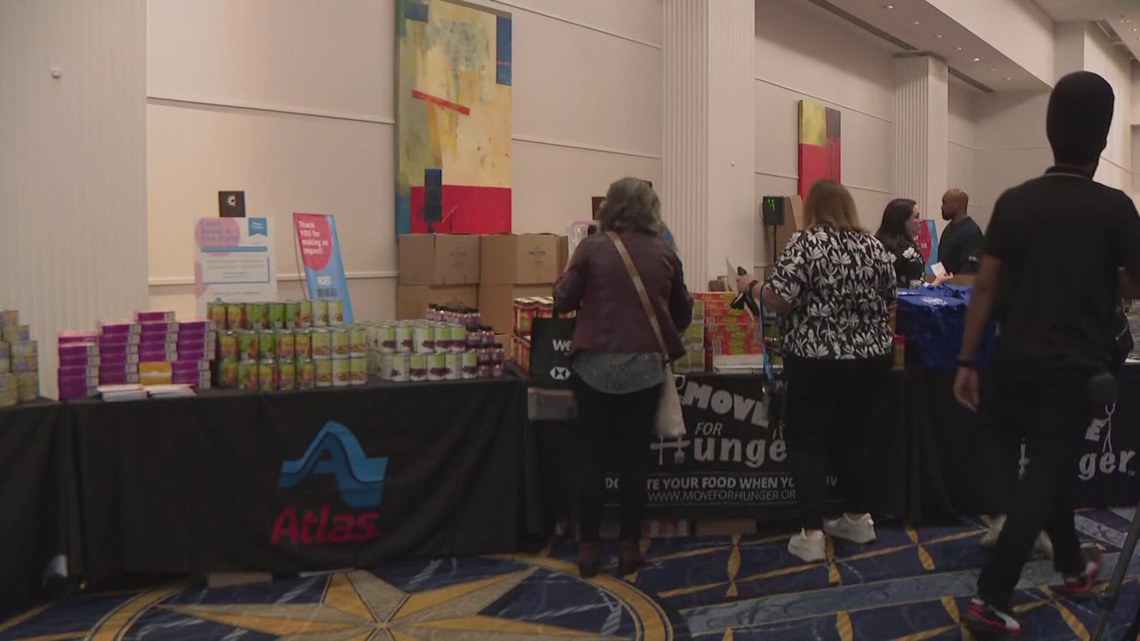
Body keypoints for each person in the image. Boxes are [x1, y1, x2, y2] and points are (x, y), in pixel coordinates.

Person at [955, 71, 1140, 639]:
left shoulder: (1014, 203)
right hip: (1075, 367)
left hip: (1011, 362)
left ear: (1048, 127)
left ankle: (1071, 566)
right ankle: (991, 596)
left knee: (1045, 472)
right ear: (1104, 140)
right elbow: (1136, 286)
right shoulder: (1115, 207)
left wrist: (966, 361)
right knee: (1044, 476)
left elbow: (983, 285)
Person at [736, 179, 896, 563]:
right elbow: (891, 301)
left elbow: (779, 299)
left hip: (816, 358)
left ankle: (810, 533)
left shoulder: (806, 243)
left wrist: (752, 286)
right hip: (871, 360)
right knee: (854, 440)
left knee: (808, 443)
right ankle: (858, 517)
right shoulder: (875, 247)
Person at [553, 177, 693, 579]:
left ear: (608, 207)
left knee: (591, 458)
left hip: (592, 368)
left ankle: (588, 548)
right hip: (645, 370)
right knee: (635, 461)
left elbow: (563, 300)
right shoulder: (665, 252)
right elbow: (682, 313)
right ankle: (630, 546)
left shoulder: (592, 248)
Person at [875, 198, 952, 289]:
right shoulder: (911, 254)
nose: (921, 220)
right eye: (916, 217)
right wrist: (937, 282)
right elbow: (917, 292)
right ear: (902, 221)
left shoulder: (874, 245)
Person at [938, 188, 984, 275]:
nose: (942, 207)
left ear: (956, 205)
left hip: (959, 286)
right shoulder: (948, 229)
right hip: (944, 285)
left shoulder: (971, 232)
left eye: (945, 203)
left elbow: (970, 268)